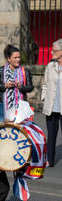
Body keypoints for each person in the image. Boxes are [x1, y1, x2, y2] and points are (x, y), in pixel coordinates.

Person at [0, 44, 34, 122]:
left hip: (20, 106)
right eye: (15, 57)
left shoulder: (25, 71)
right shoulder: (0, 70)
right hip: (2, 105)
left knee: (19, 130)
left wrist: (21, 87)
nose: (18, 59)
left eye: (19, 57)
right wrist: (5, 85)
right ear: (9, 59)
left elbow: (30, 87)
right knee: (1, 128)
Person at [41, 39, 62, 168]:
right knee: (51, 134)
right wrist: (44, 97)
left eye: (54, 50)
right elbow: (46, 84)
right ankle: (50, 159)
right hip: (51, 106)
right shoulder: (50, 66)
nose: (51, 52)